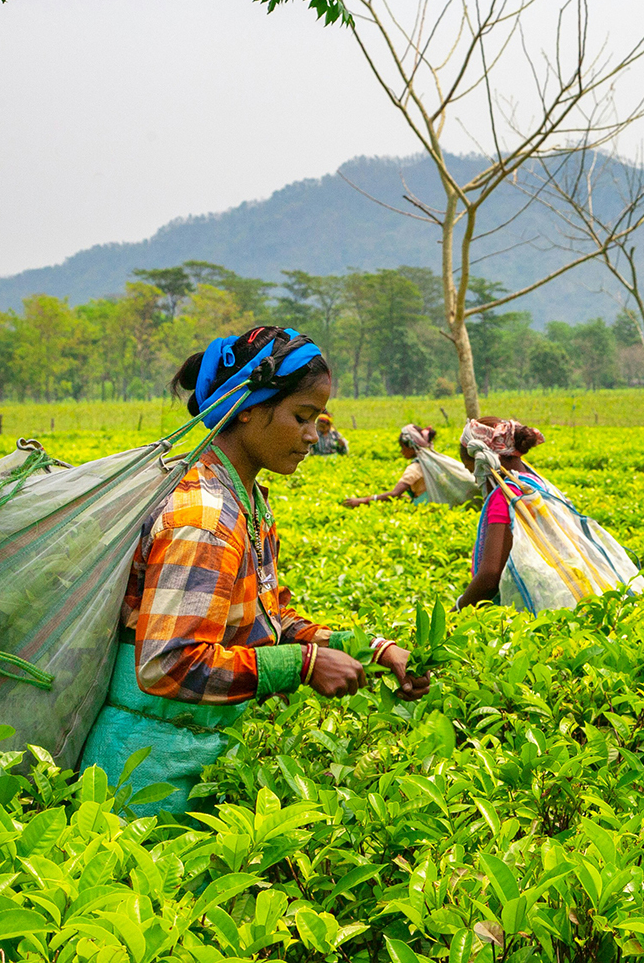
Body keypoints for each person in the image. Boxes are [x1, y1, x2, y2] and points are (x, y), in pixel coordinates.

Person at [79, 326, 429, 816]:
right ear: (248, 406)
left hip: (196, 755)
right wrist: (303, 666)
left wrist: (372, 650)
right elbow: (169, 663)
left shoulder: (248, 502)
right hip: (145, 771)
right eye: (302, 416)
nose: (313, 435)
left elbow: (270, 618)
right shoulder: (203, 517)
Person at [454, 417, 547, 608]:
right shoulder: (536, 484)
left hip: (522, 613)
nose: (476, 481)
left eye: (473, 471)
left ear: (484, 463)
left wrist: (454, 613)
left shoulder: (505, 497)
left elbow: (490, 576)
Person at [343, 426, 439, 507]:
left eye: (403, 447)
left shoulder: (414, 469)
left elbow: (394, 494)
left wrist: (363, 501)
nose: (401, 452)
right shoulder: (432, 462)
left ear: (411, 448)